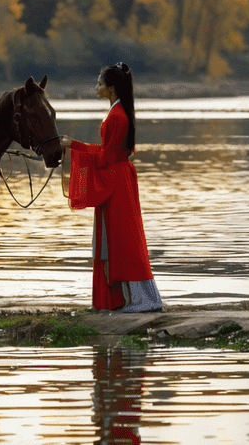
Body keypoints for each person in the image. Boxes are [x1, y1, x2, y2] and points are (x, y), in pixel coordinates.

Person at [60, 63, 163, 313]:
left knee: (123, 240)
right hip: (120, 179)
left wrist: (74, 148)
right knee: (116, 238)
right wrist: (75, 146)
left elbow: (106, 159)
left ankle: (140, 300)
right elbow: (109, 154)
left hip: (118, 182)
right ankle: (121, 299)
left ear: (112, 89)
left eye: (100, 83)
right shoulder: (118, 113)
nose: (96, 87)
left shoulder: (117, 116)